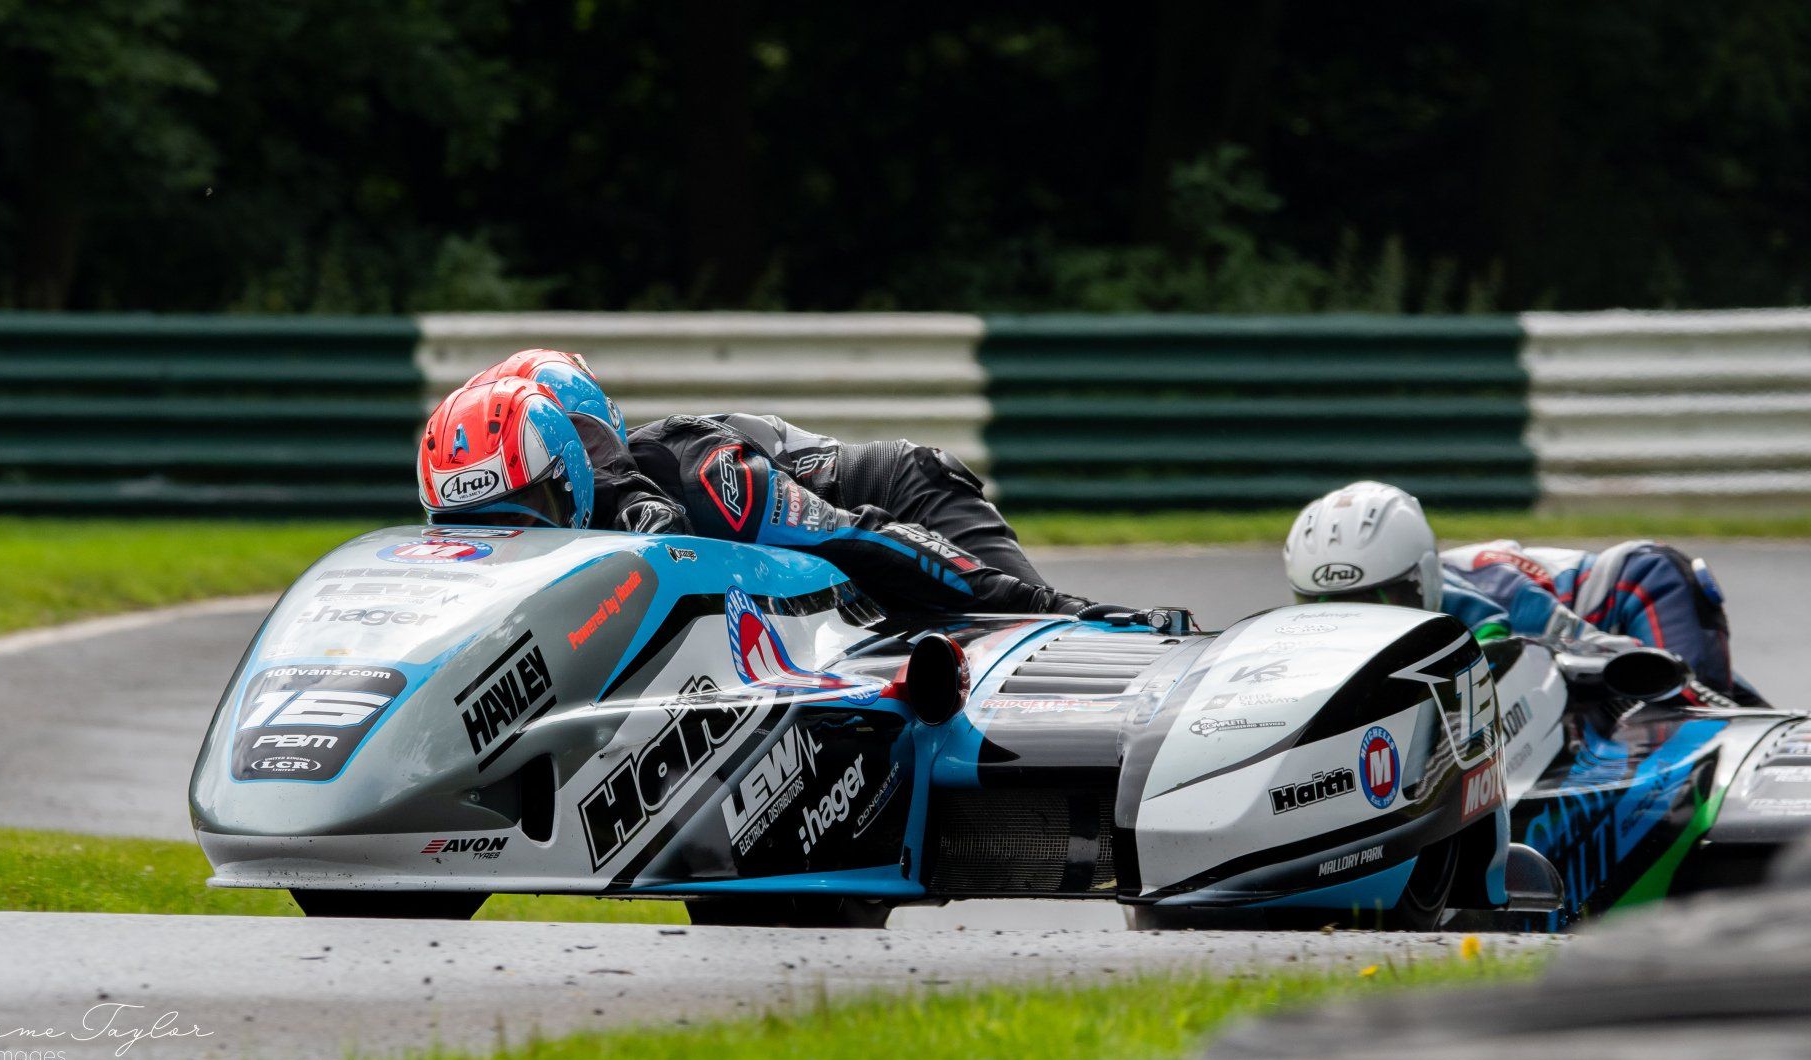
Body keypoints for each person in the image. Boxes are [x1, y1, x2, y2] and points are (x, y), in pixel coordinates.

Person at [420, 350, 1188, 627]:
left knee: (1021, 652)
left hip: (901, 501)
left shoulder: (700, 472)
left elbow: (864, 537)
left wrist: (1052, 611)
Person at [1281, 480, 1755, 704]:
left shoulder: (1497, 598)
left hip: (1633, 592)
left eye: (1378, 600)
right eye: (1326, 605)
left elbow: (1602, 653)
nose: (1357, 622)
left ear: (1424, 579)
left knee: (1683, 711)